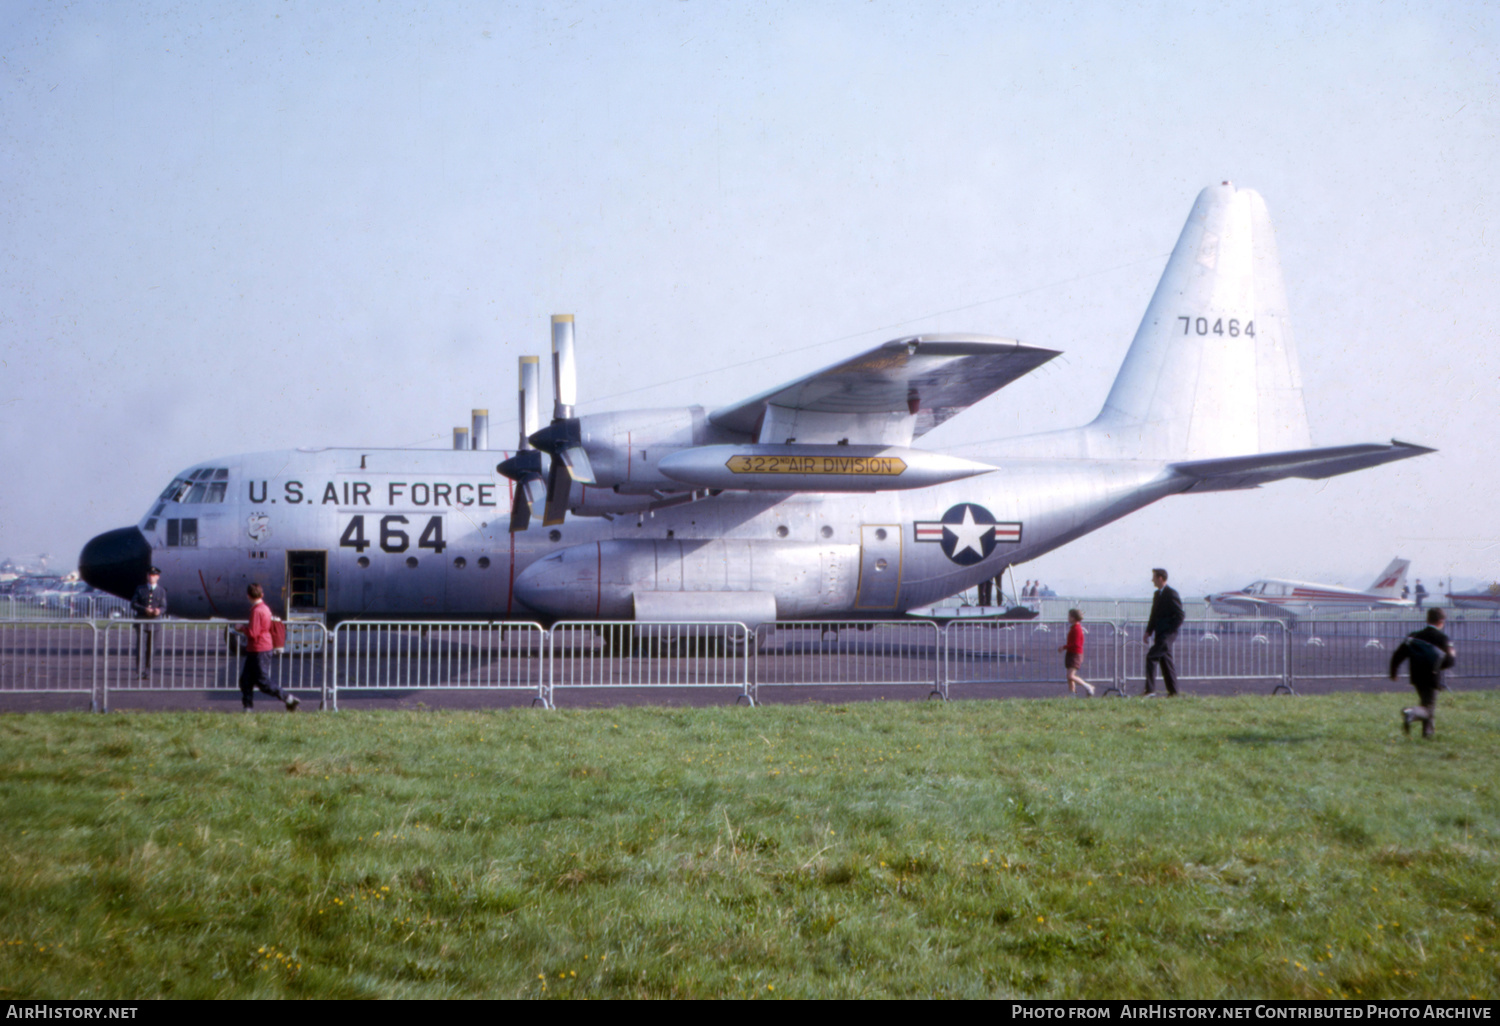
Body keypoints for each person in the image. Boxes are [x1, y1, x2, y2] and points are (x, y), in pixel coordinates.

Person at [1390, 607, 1455, 738]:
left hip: (1416, 676)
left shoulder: (1414, 636)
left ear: (1427, 619)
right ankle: (1412, 713)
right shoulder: (1443, 638)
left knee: (1427, 703)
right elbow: (1450, 661)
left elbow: (1398, 654)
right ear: (1441, 621)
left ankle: (1427, 734)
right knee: (1428, 708)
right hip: (1432, 677)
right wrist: (1438, 666)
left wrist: (1394, 671)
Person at [235, 583, 298, 712]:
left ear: (248, 596)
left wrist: (240, 628)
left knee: (263, 682)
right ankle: (247, 707)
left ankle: (288, 698)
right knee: (245, 679)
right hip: (257, 649)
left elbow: (253, 633)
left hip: (259, 649)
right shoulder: (265, 608)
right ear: (262, 595)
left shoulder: (257, 611)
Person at [1143, 567, 1184, 696]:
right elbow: (1154, 614)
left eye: (1154, 577)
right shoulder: (1157, 594)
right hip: (1160, 634)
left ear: (1160, 578)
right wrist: (1148, 631)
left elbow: (1180, 615)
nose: (1152, 580)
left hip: (1167, 635)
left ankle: (1150, 691)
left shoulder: (1171, 593)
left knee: (1151, 657)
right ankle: (1174, 693)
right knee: (1166, 662)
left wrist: (1170, 631)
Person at [130, 567, 168, 680]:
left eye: (154, 575)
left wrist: (159, 611)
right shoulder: (140, 589)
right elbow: (134, 603)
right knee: (140, 648)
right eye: (150, 575)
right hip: (142, 622)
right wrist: (144, 609)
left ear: (158, 577)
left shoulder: (161, 591)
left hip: (154, 623)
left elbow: (164, 606)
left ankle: (147, 671)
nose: (152, 577)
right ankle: (139, 671)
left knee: (151, 648)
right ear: (147, 576)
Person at [1058, 608, 1094, 696]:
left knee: (1070, 676)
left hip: (1076, 654)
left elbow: (1076, 644)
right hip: (1071, 654)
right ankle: (1072, 695)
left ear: (1073, 618)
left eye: (1069, 616)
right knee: (1069, 677)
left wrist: (1064, 647)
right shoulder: (1074, 628)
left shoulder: (1077, 629)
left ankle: (1088, 687)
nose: (1068, 618)